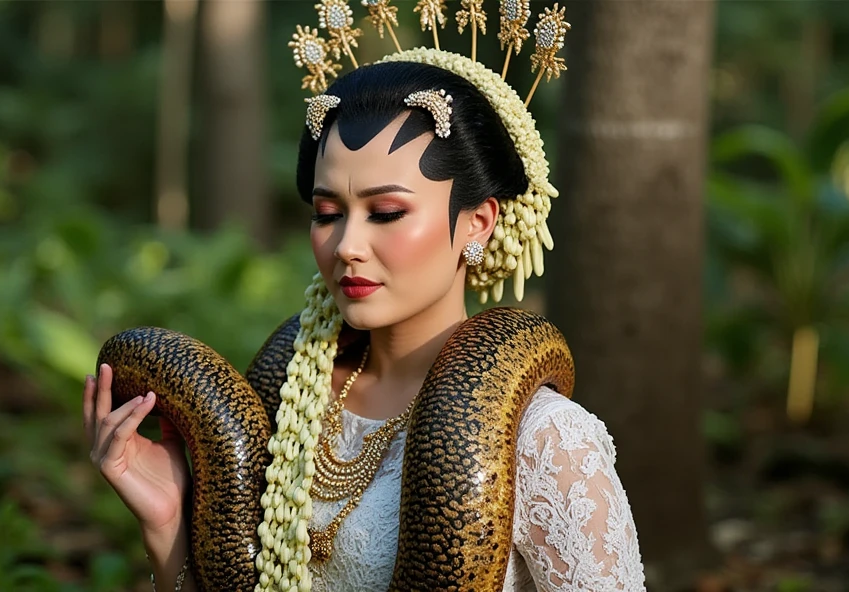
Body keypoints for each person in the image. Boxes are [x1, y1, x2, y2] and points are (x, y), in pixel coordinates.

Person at [83, 2, 645, 591]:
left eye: (386, 212)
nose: (348, 245)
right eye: (328, 213)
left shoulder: (545, 441)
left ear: (477, 222)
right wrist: (171, 523)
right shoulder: (289, 400)